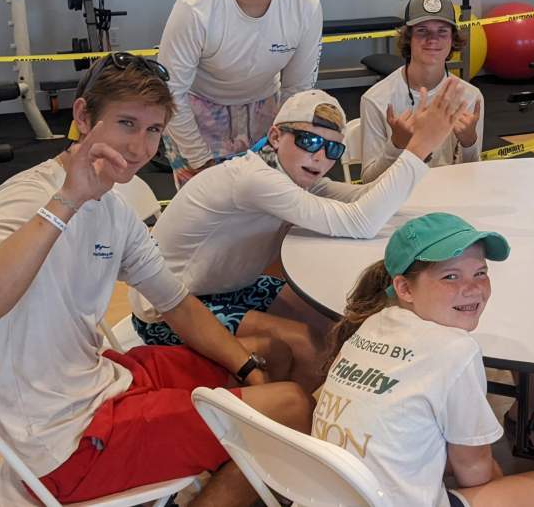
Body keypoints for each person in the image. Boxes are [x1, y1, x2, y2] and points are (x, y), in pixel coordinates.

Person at [0, 52, 311, 506]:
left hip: (102, 381)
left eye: (153, 129)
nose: (140, 147)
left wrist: (247, 369)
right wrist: (67, 201)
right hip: (65, 443)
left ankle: (221, 465)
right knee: (293, 407)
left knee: (268, 356)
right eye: (126, 124)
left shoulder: (115, 210)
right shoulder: (26, 198)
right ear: (83, 116)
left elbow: (175, 303)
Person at [133, 88, 465, 392]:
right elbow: (363, 221)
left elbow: (365, 200)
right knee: (306, 343)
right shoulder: (255, 180)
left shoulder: (291, 177)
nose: (320, 156)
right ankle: (299, 428)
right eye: (308, 141)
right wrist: (421, 145)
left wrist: (401, 150)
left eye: (332, 148)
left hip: (224, 290)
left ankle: (306, 402)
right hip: (168, 310)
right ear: (275, 136)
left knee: (335, 320)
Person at [313, 213, 534, 507]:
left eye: (480, 272)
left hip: (327, 496)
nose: (473, 287)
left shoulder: (370, 325)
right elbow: (474, 470)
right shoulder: (454, 350)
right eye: (450, 276)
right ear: (405, 288)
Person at [158, 0, 322, 186]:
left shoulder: (305, 5)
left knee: (267, 203)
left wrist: (280, 145)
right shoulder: (195, 8)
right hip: (198, 108)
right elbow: (171, 91)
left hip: (265, 107)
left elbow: (298, 90)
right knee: (204, 208)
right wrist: (200, 160)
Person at [360, 0, 484, 183]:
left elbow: (472, 177)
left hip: (450, 201)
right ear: (408, 38)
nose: (432, 39)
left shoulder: (469, 97)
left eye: (442, 31)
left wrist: (469, 142)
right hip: (398, 205)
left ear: (453, 39)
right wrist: (396, 144)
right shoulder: (376, 99)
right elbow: (369, 182)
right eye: (422, 31)